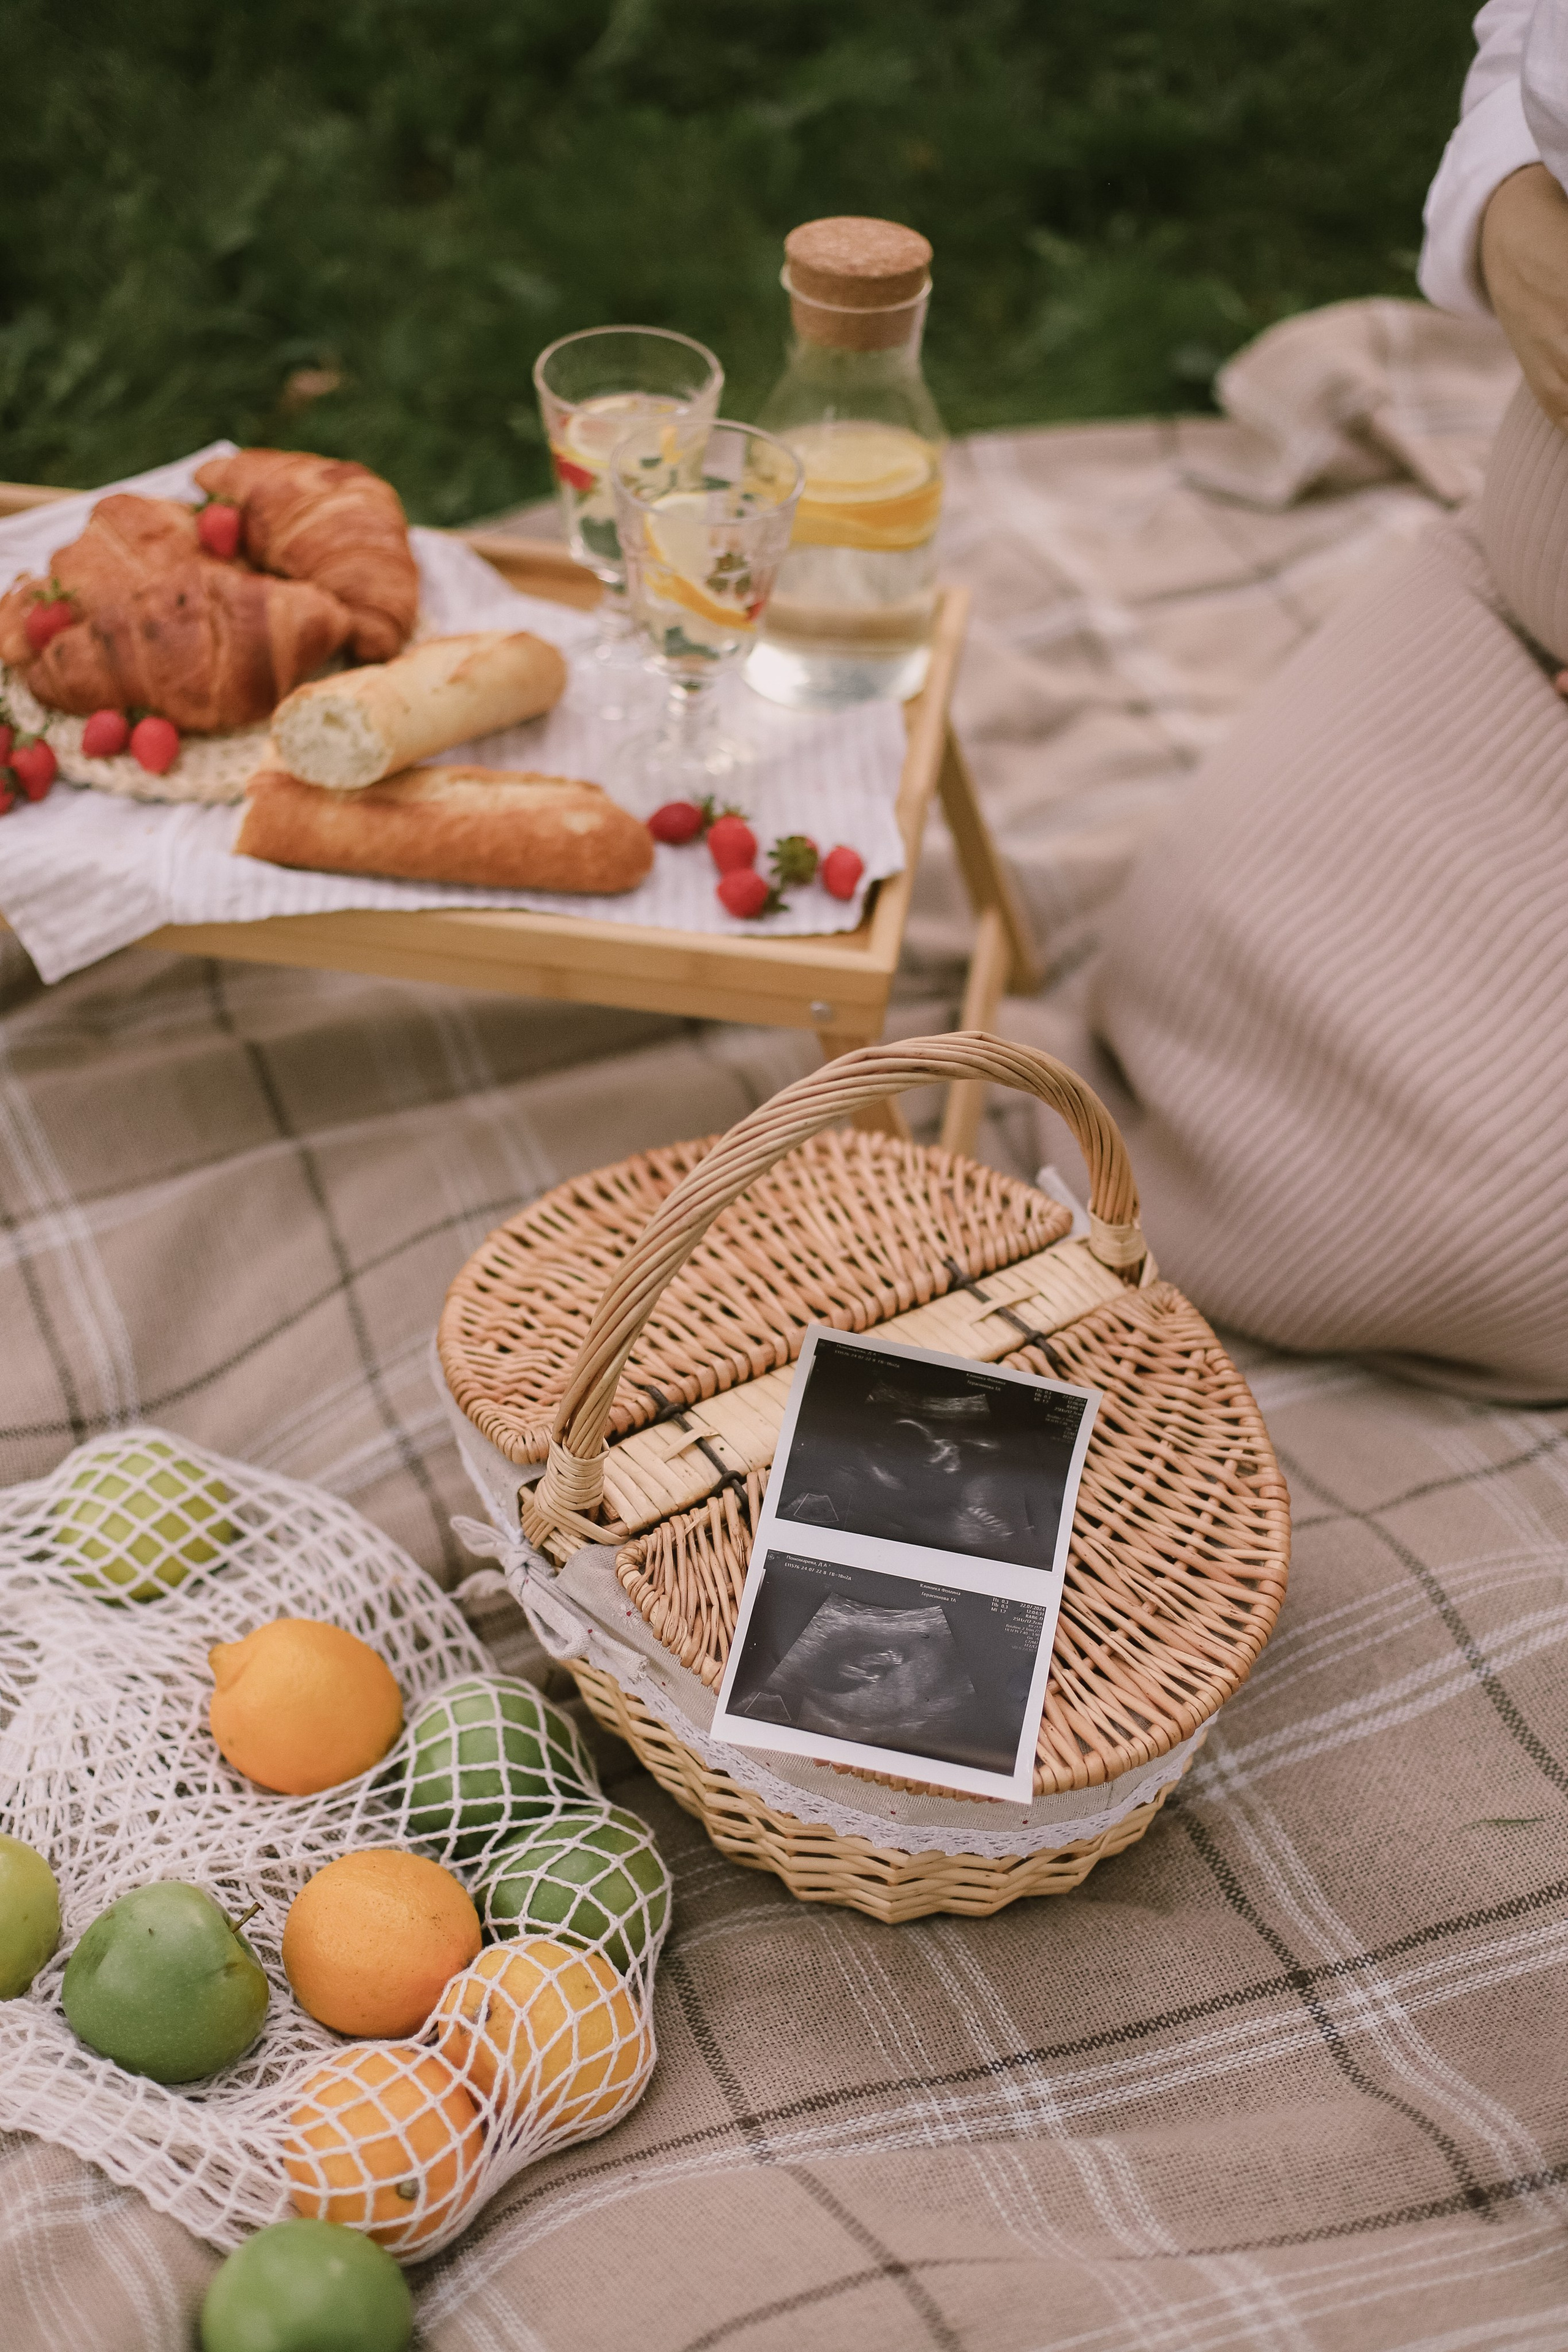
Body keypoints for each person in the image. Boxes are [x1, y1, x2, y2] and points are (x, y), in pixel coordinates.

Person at [1073, 2, 1568, 1400]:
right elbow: (1521, 50)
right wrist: (1507, 221)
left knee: (1472, 1241)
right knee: (1181, 946)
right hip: (1511, 609)